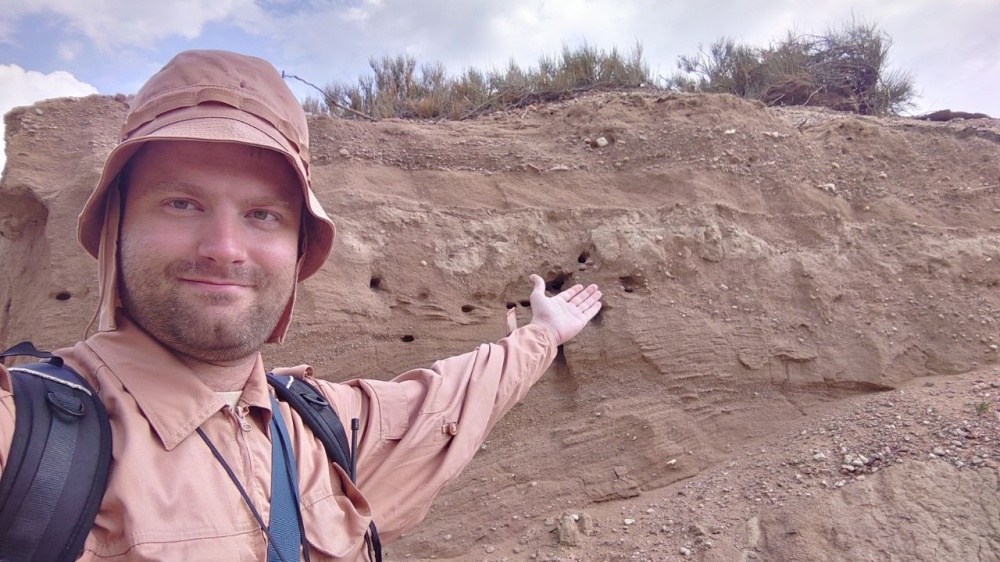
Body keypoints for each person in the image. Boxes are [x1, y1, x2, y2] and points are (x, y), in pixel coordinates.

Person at [0, 50, 602, 561]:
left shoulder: (323, 431)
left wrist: (544, 333)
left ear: (299, 250)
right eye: (181, 203)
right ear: (116, 228)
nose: (224, 249)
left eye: (263, 214)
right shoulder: (26, 438)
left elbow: (457, 397)